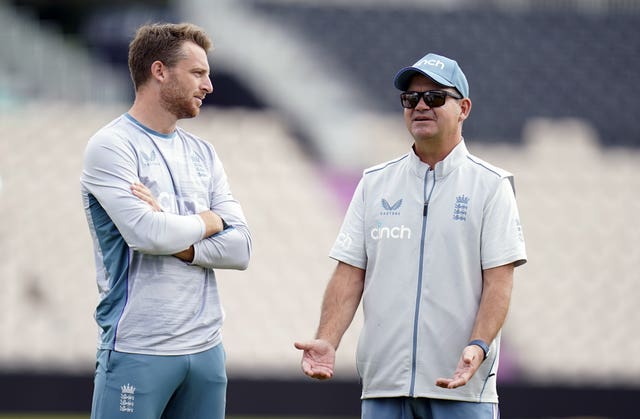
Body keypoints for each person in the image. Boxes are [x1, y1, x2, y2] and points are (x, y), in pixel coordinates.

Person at [295, 52, 527, 418]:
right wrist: (327, 339)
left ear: (463, 108)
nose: (420, 105)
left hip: (462, 389)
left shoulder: (491, 185)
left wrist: (478, 346)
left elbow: (499, 281)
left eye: (434, 97)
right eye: (410, 98)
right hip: (384, 387)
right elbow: (350, 272)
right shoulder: (374, 182)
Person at [80, 23, 252, 419]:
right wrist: (212, 219)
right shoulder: (111, 146)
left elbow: (242, 248)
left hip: (207, 350)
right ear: (159, 71)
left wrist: (177, 234)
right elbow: (148, 235)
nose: (209, 85)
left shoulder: (204, 153)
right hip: (138, 348)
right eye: (198, 73)